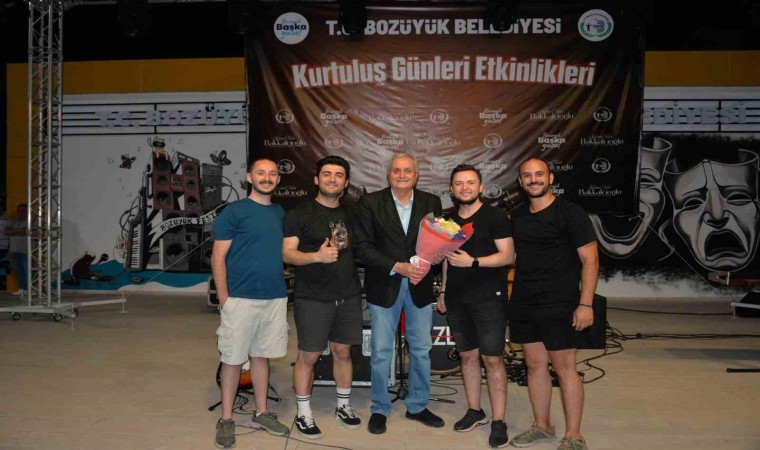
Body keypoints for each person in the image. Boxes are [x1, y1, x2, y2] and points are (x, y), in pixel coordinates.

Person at [508, 158, 598, 450]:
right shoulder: (518, 215)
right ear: (520, 182)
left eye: (539, 174)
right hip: (524, 301)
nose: (533, 179)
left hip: (560, 302)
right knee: (534, 365)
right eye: (527, 176)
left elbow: (591, 260)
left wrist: (585, 304)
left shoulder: (570, 213)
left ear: (550, 178)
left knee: (565, 368)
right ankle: (543, 426)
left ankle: (574, 436)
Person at [353, 153, 444, 435]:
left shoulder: (431, 202)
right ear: (388, 174)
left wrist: (434, 259)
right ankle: (380, 407)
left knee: (421, 349)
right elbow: (362, 247)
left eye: (407, 171)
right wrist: (397, 266)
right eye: (396, 171)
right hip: (385, 283)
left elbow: (439, 242)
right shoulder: (370, 203)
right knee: (381, 351)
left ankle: (417, 405)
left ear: (416, 175)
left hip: (420, 285)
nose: (402, 175)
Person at [283, 156, 364, 439]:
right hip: (313, 298)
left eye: (338, 175)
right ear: (316, 179)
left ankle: (343, 405)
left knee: (343, 352)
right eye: (327, 174)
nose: (332, 179)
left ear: (346, 182)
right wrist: (316, 256)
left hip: (348, 296)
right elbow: (287, 253)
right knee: (309, 356)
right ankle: (304, 412)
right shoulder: (300, 213)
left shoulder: (353, 215)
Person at [211, 158, 290, 449]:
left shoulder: (280, 213)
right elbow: (218, 257)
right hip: (240, 299)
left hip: (274, 297)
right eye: (261, 173)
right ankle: (227, 419)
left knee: (261, 356)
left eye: (272, 174)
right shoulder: (234, 212)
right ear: (249, 177)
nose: (267, 178)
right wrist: (224, 299)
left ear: (278, 179)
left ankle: (261, 413)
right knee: (232, 359)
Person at [437, 164, 514, 448]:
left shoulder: (495, 216)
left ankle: (499, 420)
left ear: (480, 187)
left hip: (489, 297)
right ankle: (475, 410)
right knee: (467, 356)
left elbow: (508, 256)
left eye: (470, 182)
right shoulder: (447, 220)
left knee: (492, 359)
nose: (465, 187)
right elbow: (448, 258)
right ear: (452, 189)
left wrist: (474, 262)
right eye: (459, 183)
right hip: (457, 297)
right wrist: (443, 290)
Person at [7, 204, 29, 296]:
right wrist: (19, 231)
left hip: (26, 250)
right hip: (14, 249)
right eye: (19, 210)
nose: (21, 212)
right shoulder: (13, 221)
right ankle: (22, 288)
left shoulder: (30, 221)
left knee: (27, 270)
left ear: (27, 211)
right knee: (18, 270)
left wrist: (14, 231)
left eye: (23, 210)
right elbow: (6, 231)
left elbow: (27, 231)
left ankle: (29, 289)